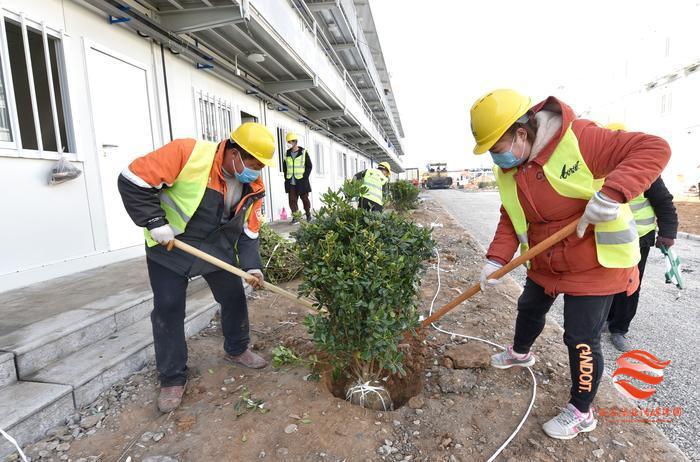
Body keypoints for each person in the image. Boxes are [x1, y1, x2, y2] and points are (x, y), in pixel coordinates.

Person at [470, 89, 670, 440]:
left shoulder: (580, 138)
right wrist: (495, 260)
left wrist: (612, 193)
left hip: (597, 262)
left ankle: (582, 410)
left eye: (497, 148)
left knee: (580, 337)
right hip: (546, 259)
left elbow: (654, 148)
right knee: (529, 307)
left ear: (521, 133)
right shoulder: (510, 169)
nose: (496, 158)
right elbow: (510, 216)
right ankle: (519, 352)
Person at [118, 122, 275, 413]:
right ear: (233, 151)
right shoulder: (188, 153)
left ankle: (237, 349)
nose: (255, 171)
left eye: (260, 166)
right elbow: (132, 179)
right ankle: (172, 377)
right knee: (168, 308)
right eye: (252, 163)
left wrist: (253, 268)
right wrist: (154, 222)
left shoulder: (253, 186)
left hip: (218, 247)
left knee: (233, 297)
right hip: (172, 245)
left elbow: (250, 232)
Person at [604, 124, 678, 352]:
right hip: (607, 239)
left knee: (629, 284)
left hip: (638, 238)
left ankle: (619, 329)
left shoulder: (644, 171)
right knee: (604, 282)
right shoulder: (597, 169)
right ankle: (601, 321)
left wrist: (667, 233)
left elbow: (664, 203)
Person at [283, 133, 313, 223]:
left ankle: (308, 214)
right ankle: (296, 217)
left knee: (305, 199)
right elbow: (285, 167)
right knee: (292, 200)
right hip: (291, 181)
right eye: (288, 141)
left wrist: (305, 177)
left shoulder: (303, 152)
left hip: (302, 181)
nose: (288, 143)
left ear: (295, 142)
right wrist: (286, 177)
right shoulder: (287, 153)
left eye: (290, 141)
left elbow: (309, 166)